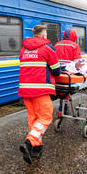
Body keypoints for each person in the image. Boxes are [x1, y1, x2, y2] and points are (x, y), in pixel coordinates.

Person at [18, 25, 61, 164]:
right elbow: (56, 70)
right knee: (45, 118)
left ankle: (37, 148)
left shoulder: (23, 50)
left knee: (34, 119)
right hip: (41, 90)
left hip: (25, 90)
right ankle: (29, 142)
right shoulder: (47, 48)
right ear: (43, 35)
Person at [54, 29, 81, 114]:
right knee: (67, 89)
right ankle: (64, 106)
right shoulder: (74, 46)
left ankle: (62, 106)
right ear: (74, 36)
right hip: (68, 72)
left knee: (61, 89)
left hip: (57, 72)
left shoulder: (57, 44)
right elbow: (77, 62)